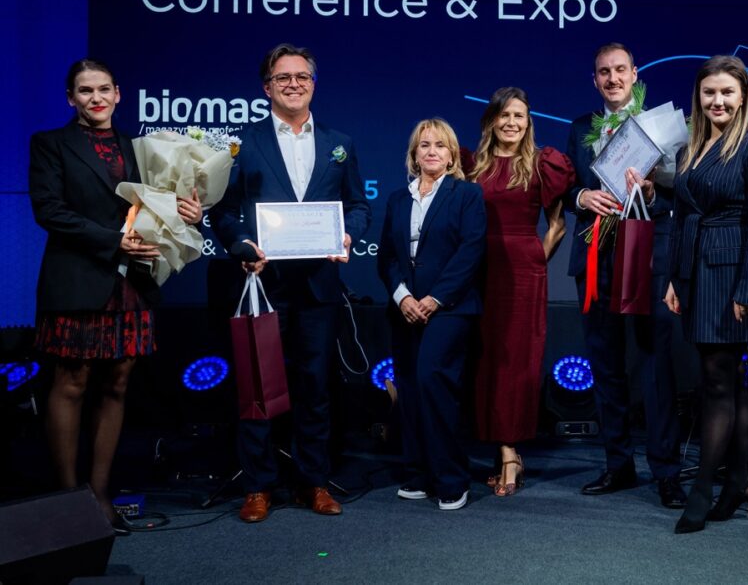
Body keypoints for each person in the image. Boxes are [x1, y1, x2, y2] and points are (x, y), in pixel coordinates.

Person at [29, 58, 203, 535]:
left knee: (118, 384)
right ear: (71, 98)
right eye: (85, 91)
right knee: (72, 382)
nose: (96, 98)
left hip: (131, 281)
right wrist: (114, 241)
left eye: (104, 89)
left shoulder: (139, 148)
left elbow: (162, 206)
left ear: (118, 94)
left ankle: (100, 494)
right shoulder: (50, 144)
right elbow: (49, 210)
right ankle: (68, 499)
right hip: (78, 278)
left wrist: (190, 212)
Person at [209, 43, 371, 523]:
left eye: (302, 76)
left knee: (316, 386)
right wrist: (240, 243)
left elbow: (358, 205)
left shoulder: (340, 142)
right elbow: (222, 211)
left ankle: (313, 482)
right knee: (258, 385)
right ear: (267, 87)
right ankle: (258, 486)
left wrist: (346, 234)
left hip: (319, 286)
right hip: (264, 283)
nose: (294, 84)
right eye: (283, 77)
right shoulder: (243, 143)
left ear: (313, 85)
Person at [564, 43, 685, 509]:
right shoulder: (580, 128)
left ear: (635, 73)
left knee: (655, 366)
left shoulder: (660, 127)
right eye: (603, 72)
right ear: (594, 80)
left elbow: (680, 195)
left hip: (648, 256)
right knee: (605, 365)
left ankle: (666, 471)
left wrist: (651, 193)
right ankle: (618, 464)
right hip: (596, 256)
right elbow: (568, 187)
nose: (612, 78)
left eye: (620, 70)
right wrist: (582, 198)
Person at [664, 55, 748, 533]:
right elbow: (681, 219)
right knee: (729, 384)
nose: (718, 101)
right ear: (699, 97)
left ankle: (702, 490)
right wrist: (674, 278)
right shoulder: (687, 152)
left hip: (733, 277)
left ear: (743, 97)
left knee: (716, 383)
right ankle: (738, 481)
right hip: (696, 274)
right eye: (709, 92)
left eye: (727, 92)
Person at [468, 88, 575, 496]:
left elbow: (558, 226)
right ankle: (497, 447)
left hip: (523, 275)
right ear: (491, 120)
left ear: (528, 122)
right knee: (485, 359)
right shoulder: (472, 165)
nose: (512, 122)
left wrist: (533, 262)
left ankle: (510, 452)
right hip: (478, 271)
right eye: (505, 115)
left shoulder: (542, 164)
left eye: (520, 116)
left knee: (515, 362)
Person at [378, 118, 486, 511]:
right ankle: (418, 474)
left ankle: (451, 479)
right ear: (414, 154)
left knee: (432, 384)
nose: (432, 151)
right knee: (409, 389)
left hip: (450, 309)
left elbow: (471, 251)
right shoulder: (397, 199)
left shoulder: (467, 195)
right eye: (424, 145)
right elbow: (387, 257)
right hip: (405, 310)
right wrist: (403, 297)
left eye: (440, 145)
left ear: (452, 154)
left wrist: (435, 298)